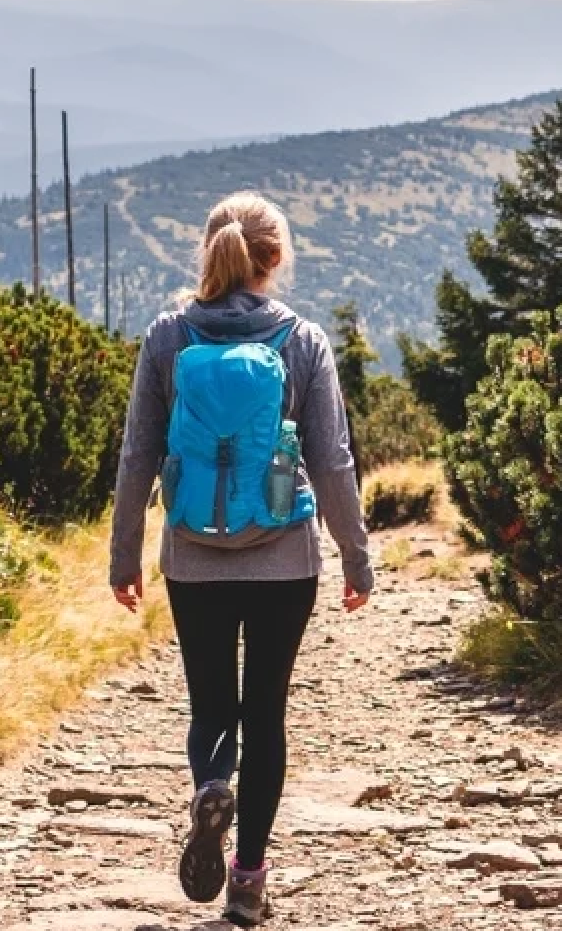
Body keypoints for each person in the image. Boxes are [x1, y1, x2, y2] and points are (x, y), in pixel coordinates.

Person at [109, 192, 372, 928]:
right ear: (275, 259)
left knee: (211, 707)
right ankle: (248, 878)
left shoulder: (168, 336)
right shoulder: (302, 340)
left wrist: (124, 555)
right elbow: (333, 462)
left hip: (193, 556)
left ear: (210, 251)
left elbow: (137, 456)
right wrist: (356, 557)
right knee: (268, 713)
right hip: (285, 556)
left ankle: (211, 781)